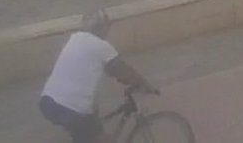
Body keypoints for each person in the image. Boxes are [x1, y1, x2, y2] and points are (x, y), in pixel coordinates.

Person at [40, 10, 156, 143]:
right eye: (108, 26)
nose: (108, 30)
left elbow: (107, 70)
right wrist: (145, 85)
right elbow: (123, 71)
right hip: (72, 108)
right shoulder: (101, 46)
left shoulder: (75, 38)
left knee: (89, 127)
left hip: (48, 101)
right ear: (100, 27)